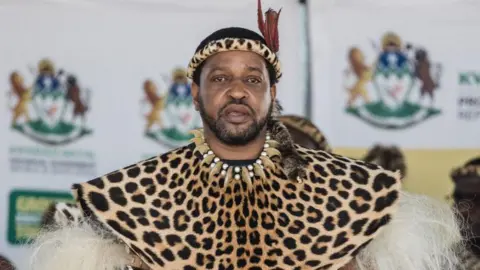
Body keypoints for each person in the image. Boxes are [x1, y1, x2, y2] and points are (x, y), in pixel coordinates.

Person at [28, 1, 462, 269]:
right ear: (195, 95)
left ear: (272, 95)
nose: (237, 90)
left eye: (252, 80)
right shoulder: (135, 199)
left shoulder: (349, 193)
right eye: (219, 79)